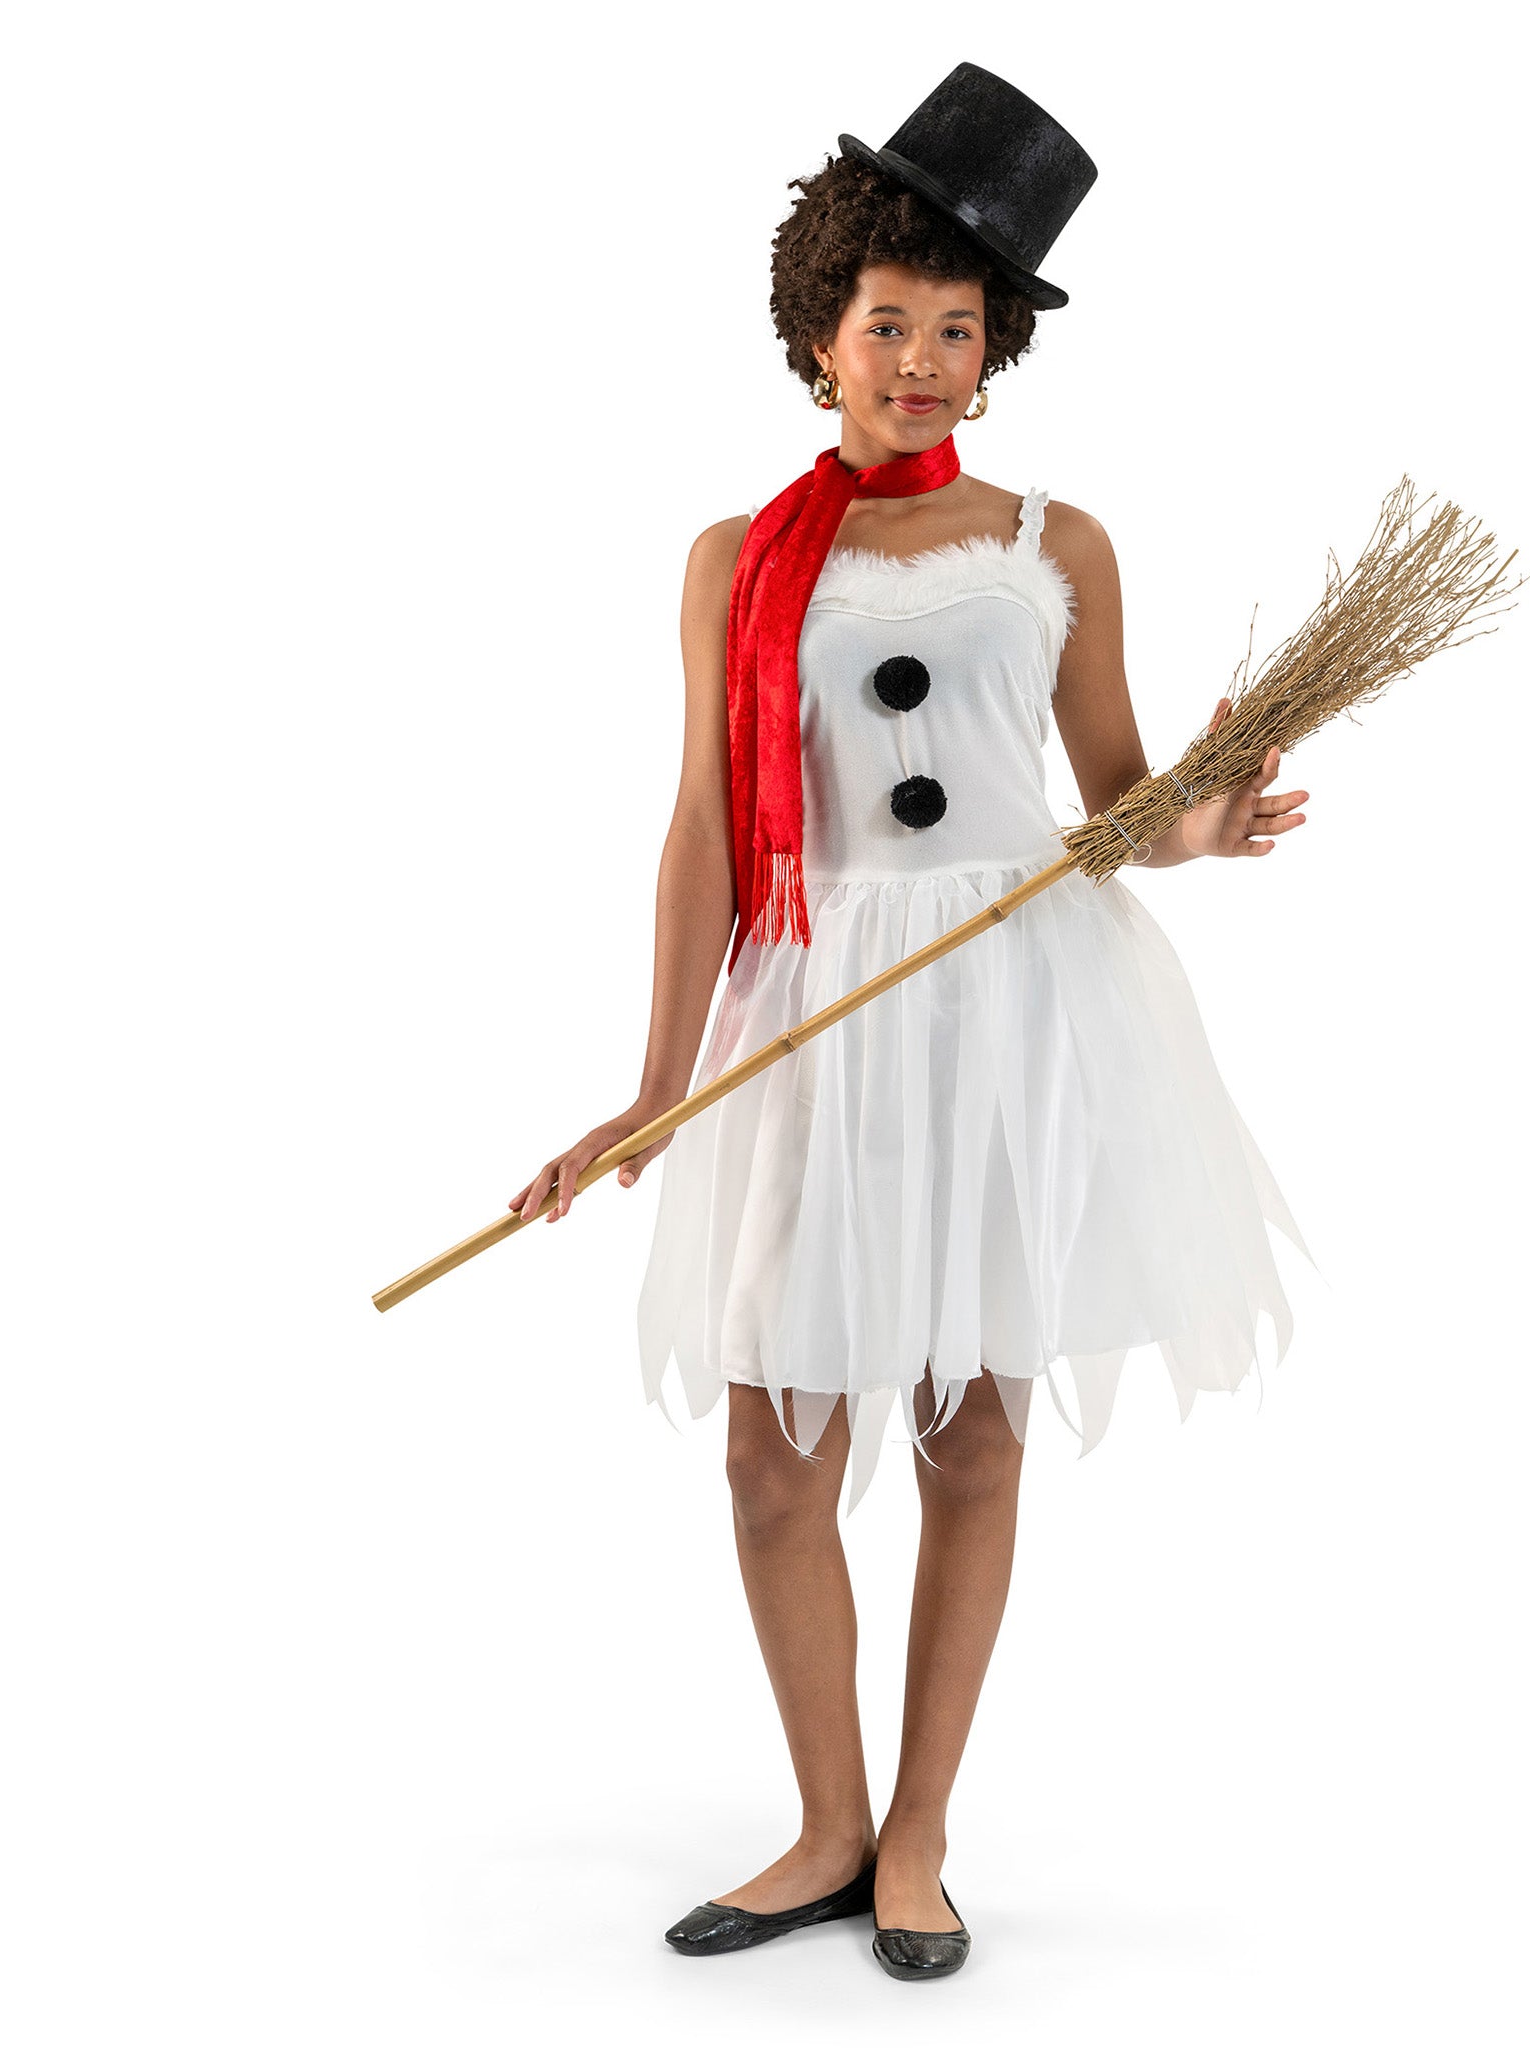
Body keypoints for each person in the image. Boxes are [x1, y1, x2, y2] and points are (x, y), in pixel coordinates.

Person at [509, 64, 1311, 1981]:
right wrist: (653, 1087)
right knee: (774, 1453)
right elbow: (708, 829)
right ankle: (825, 1823)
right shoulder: (737, 559)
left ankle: (921, 1835)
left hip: (1011, 1013)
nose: (923, 363)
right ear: (822, 334)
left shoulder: (1057, 544)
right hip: (819, 1008)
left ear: (996, 350)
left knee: (970, 1431)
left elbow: (1115, 809)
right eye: (889, 325)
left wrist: (1205, 823)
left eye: (959, 330)